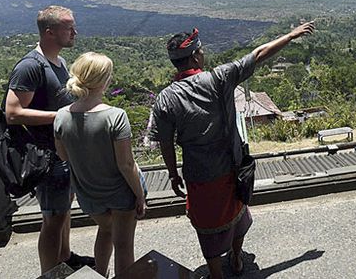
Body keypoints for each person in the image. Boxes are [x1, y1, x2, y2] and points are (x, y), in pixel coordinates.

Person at [152, 21, 315, 279]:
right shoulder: (219, 77)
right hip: (232, 168)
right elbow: (259, 54)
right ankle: (236, 258)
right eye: (201, 49)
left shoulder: (165, 98)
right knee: (237, 215)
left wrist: (172, 174)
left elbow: (165, 142)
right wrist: (290, 35)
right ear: (195, 55)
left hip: (198, 174)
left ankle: (216, 272)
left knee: (206, 224)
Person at [4, 5, 93, 273]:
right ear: (50, 31)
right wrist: (61, 116)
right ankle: (50, 273)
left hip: (63, 153)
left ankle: (65, 258)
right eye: (69, 27)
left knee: (63, 212)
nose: (74, 32)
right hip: (46, 156)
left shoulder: (60, 62)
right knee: (53, 218)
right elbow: (12, 112)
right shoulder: (31, 66)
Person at [54, 52, 146, 276]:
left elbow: (63, 156)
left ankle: (99, 273)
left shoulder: (61, 116)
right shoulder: (116, 116)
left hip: (89, 195)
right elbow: (126, 165)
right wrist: (140, 195)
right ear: (104, 81)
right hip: (120, 194)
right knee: (124, 246)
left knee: (105, 231)